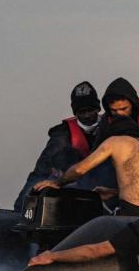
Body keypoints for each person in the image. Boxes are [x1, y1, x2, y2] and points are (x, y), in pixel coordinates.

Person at [34, 116, 139, 216]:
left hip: (131, 212)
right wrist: (114, 192)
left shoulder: (115, 141)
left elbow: (80, 169)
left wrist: (57, 183)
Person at [13, 81, 103, 210]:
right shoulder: (62, 135)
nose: (87, 115)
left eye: (91, 110)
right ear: (75, 113)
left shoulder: (111, 127)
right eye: (82, 111)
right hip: (76, 186)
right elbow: (41, 172)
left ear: (98, 109)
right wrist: (21, 207)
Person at [99, 77, 139, 144]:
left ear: (133, 104)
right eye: (114, 110)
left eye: (124, 109)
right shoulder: (106, 122)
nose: (119, 114)